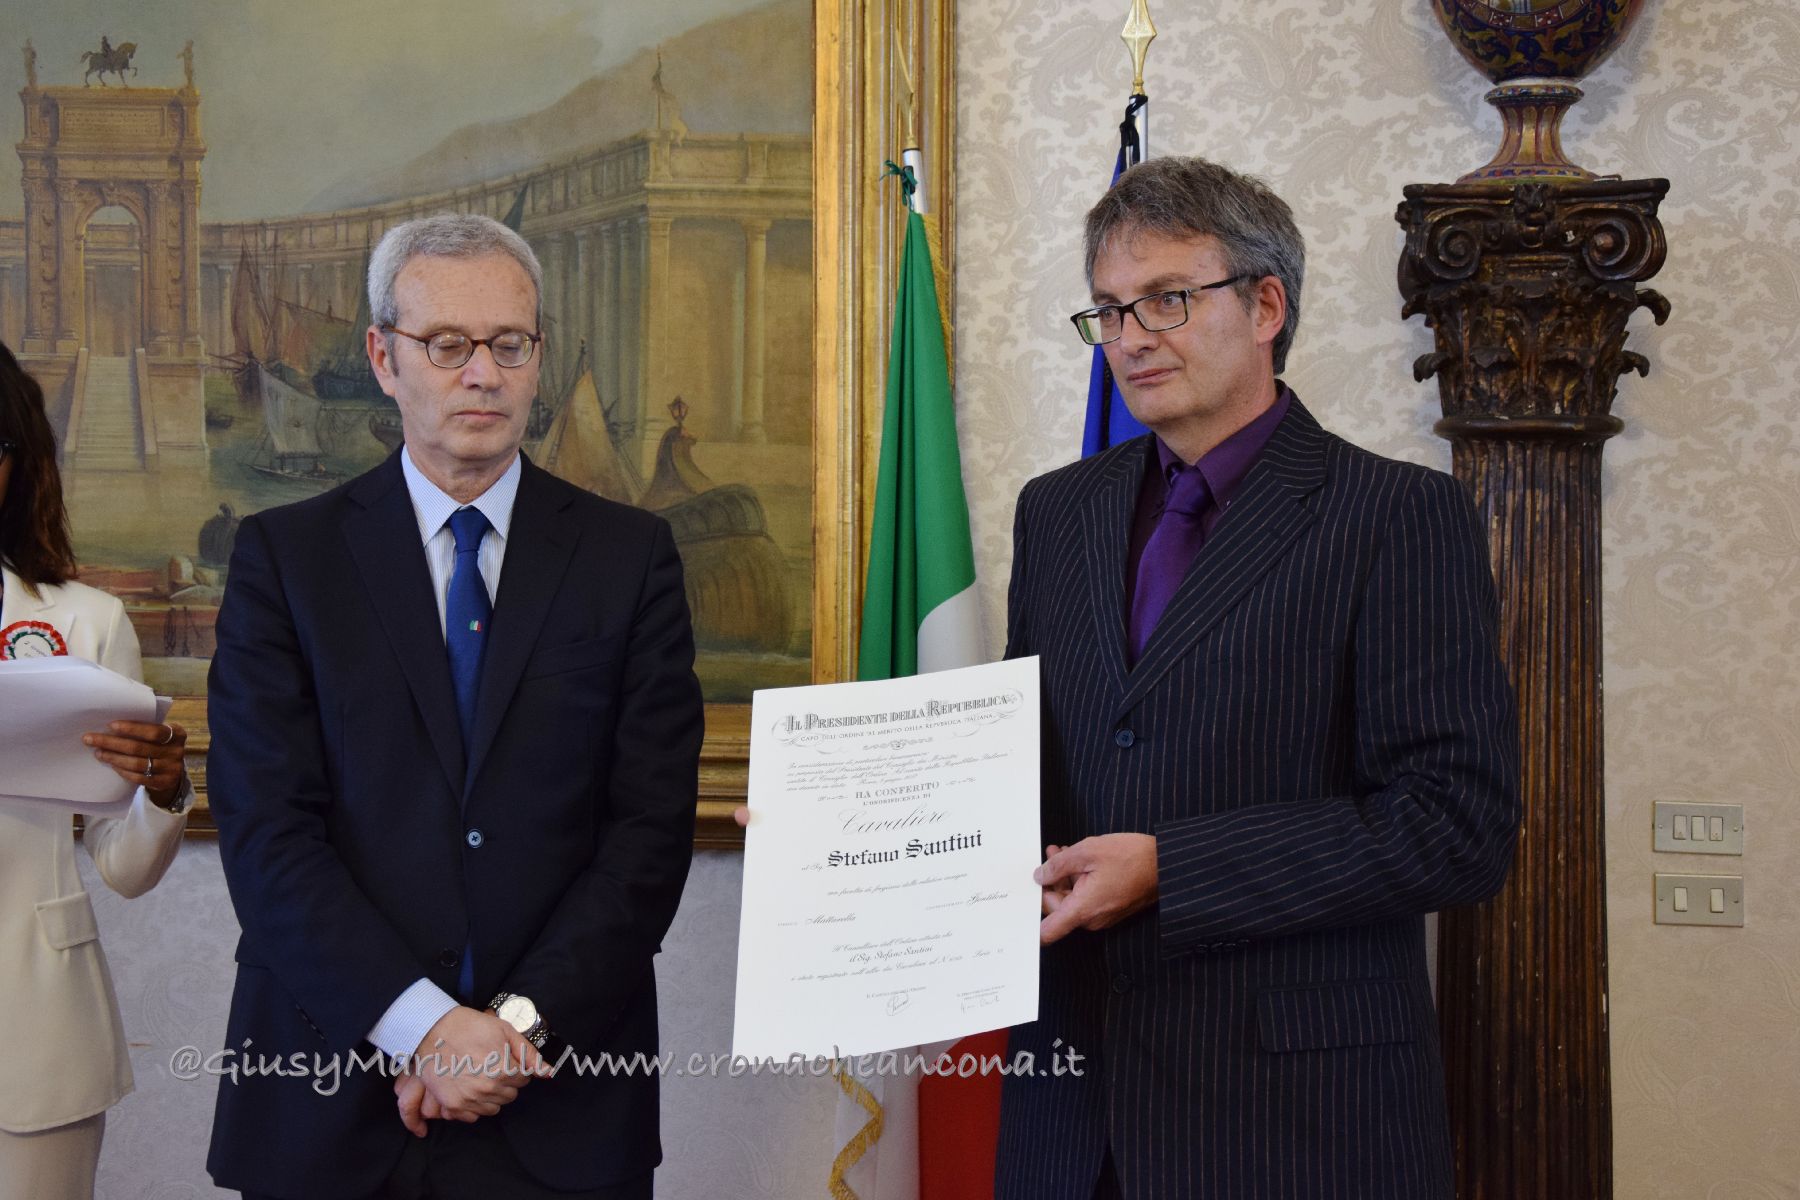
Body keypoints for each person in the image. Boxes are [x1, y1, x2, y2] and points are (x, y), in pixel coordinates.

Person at [993, 157, 1521, 1199]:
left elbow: (1456, 825)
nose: (1130, 338)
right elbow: (1022, 768)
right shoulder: (1056, 512)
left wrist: (1173, 870)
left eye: (1167, 299)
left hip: (1296, 1124)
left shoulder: (1396, 517)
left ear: (1266, 305)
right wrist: (849, 834)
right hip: (1074, 1119)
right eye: (1109, 310)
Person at [204, 214, 703, 1200]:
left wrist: (510, 1033)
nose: (483, 374)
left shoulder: (630, 558)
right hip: (330, 1104)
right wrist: (425, 1030)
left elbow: (648, 833)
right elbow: (267, 833)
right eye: (446, 345)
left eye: (508, 344)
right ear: (383, 359)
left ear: (537, 357)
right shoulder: (286, 562)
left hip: (558, 1103)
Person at [0, 339, 192, 1200]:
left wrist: (162, 790)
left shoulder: (87, 622)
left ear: (19, 464)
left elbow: (123, 866)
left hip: (33, 1023)